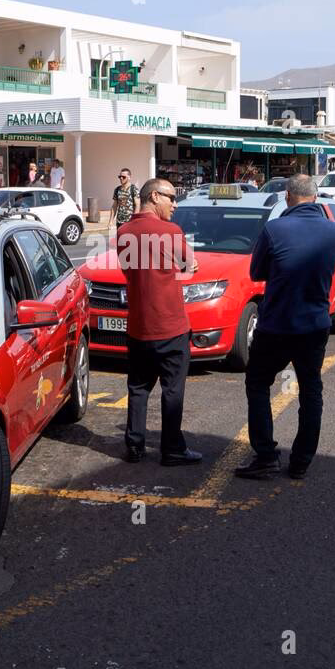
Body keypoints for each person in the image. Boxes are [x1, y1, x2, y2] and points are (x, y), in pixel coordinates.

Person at [235, 174, 335, 481]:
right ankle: (301, 461)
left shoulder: (275, 228)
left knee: (258, 383)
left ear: (288, 197)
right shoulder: (331, 230)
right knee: (311, 390)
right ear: (315, 198)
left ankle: (266, 456)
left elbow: (257, 272)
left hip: (277, 324)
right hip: (315, 323)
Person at [117, 177, 202, 466]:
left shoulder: (124, 232)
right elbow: (189, 266)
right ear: (154, 197)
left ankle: (135, 445)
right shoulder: (171, 231)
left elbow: (131, 272)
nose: (175, 204)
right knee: (172, 389)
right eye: (171, 198)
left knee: (138, 388)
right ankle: (173, 449)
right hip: (170, 326)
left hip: (138, 327)